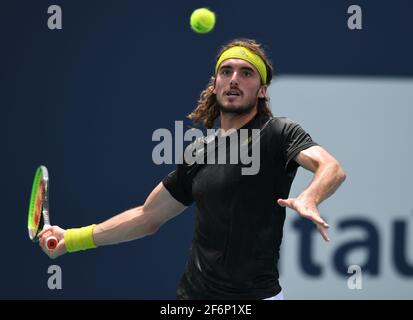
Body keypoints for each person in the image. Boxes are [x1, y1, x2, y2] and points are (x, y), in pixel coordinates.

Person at [39, 38, 346, 300]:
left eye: (246, 73)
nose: (234, 79)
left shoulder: (280, 132)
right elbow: (148, 217)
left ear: (262, 90)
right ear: (215, 86)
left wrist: (310, 197)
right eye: (226, 72)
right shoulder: (199, 152)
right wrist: (73, 239)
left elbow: (330, 167)